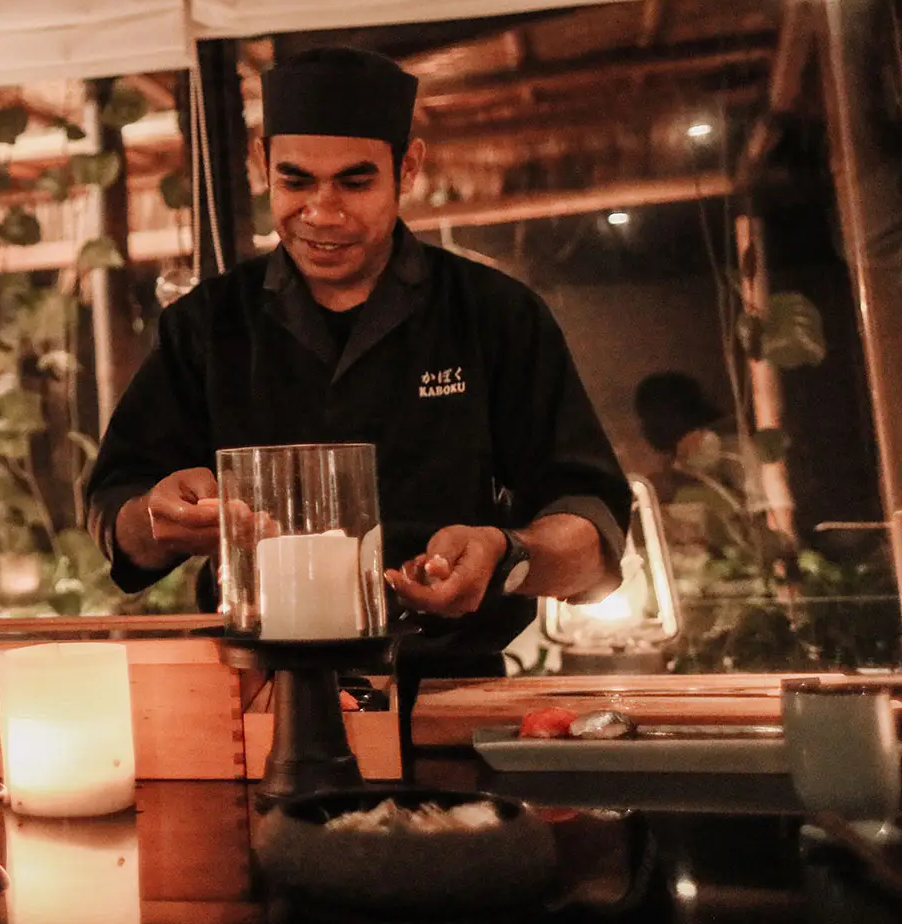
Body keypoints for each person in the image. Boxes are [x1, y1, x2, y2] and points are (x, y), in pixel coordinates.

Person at [86, 46, 632, 671]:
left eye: (355, 181)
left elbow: (593, 527)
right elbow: (117, 510)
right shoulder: (208, 324)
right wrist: (157, 520)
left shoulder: (493, 314)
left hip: (448, 685)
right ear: (263, 165)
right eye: (296, 180)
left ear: (408, 168)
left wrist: (506, 553)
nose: (322, 212)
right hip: (259, 693)